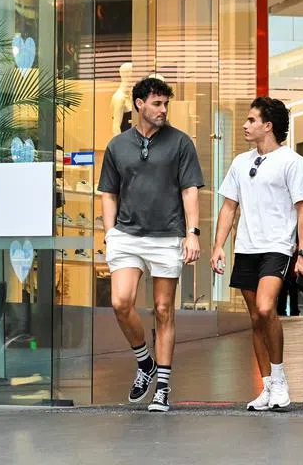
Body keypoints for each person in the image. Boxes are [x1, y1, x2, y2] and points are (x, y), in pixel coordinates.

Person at [98, 77, 204, 412]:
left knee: (163, 310)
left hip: (167, 236)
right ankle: (145, 362)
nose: (163, 110)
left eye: (165, 104)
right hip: (127, 236)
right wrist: (111, 231)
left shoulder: (181, 143)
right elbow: (108, 192)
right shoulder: (118, 146)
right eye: (157, 104)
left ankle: (162, 387)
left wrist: (193, 233)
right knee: (120, 302)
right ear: (139, 104)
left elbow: (190, 190)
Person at [211, 97, 303, 412]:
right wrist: (218, 246)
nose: (245, 125)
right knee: (255, 319)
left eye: (251, 120)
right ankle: (267, 386)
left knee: (265, 306)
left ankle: (281, 378)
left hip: (277, 247)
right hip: (246, 248)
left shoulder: (292, 162)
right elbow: (229, 207)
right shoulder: (240, 163)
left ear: (268, 126)